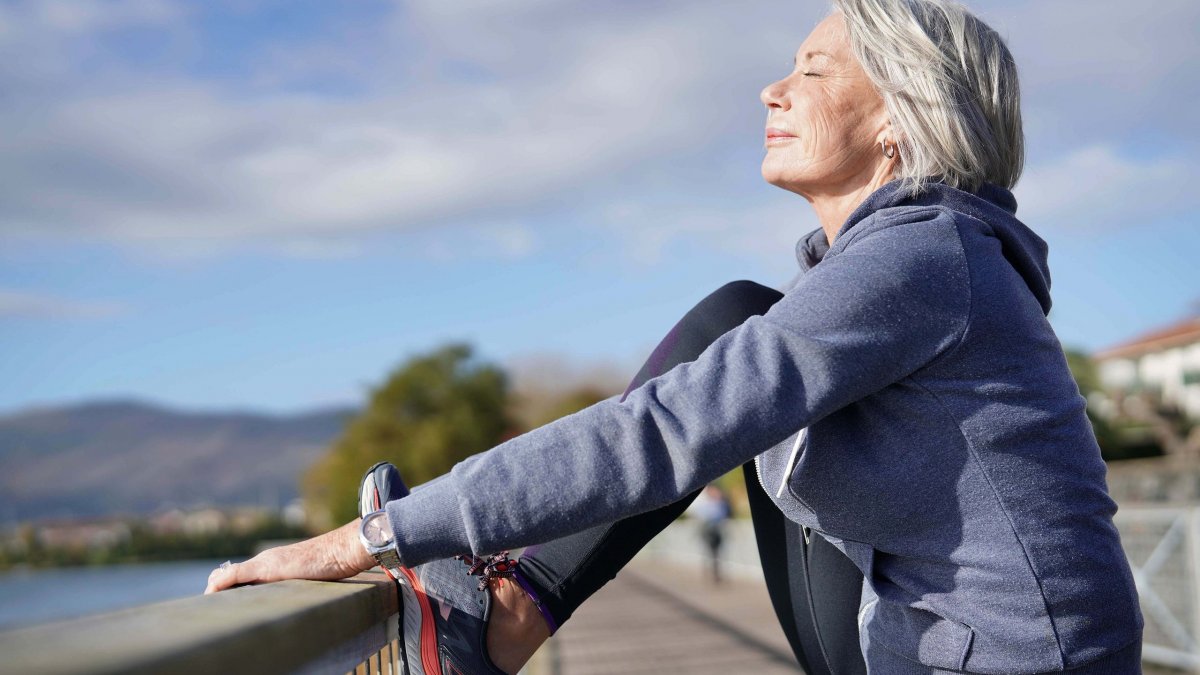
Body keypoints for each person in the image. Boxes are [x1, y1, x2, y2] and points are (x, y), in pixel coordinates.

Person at [206, 0, 1146, 672]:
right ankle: (500, 608)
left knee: (727, 342)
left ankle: (495, 614)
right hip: (906, 637)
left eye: (814, 70)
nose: (773, 89)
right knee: (739, 317)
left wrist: (373, 539)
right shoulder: (897, 263)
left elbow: (659, 432)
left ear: (902, 116)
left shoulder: (928, 252)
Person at [689, 483, 732, 584]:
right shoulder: (705, 504)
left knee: (717, 554)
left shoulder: (722, 504)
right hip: (707, 532)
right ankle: (709, 573)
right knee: (708, 553)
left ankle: (715, 574)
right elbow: (700, 516)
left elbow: (726, 515)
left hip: (718, 532)